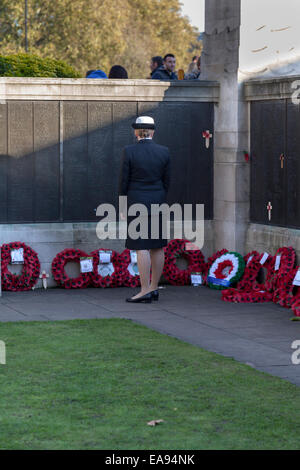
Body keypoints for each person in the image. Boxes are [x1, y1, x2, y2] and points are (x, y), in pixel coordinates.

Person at [118, 116, 171, 303]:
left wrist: (123, 206)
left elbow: (124, 181)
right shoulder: (163, 151)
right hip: (157, 201)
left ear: (136, 132)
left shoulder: (129, 151)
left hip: (137, 202)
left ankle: (144, 290)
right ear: (153, 131)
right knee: (157, 246)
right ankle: (154, 287)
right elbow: (167, 182)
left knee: (141, 247)